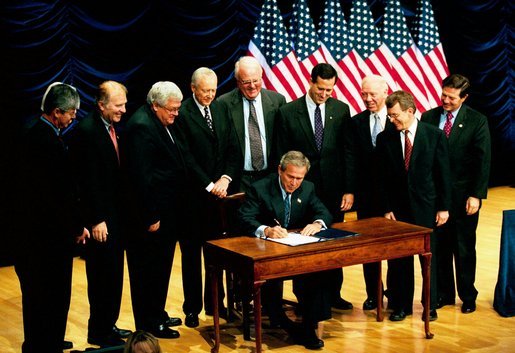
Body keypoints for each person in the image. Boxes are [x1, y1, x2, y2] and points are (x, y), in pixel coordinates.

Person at [14, 83, 90, 353]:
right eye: (71, 113)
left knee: (42, 297)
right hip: (45, 240)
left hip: (35, 238)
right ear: (57, 112)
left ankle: (48, 340)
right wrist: (77, 226)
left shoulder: (32, 130)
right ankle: (44, 344)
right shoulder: (46, 143)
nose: (74, 118)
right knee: (48, 295)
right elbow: (58, 196)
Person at [274, 63, 356, 310]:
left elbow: (347, 151)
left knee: (334, 242)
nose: (324, 94)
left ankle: (334, 294)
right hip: (300, 190)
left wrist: (349, 189)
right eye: (321, 88)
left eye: (329, 90)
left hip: (333, 190)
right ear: (310, 82)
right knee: (303, 243)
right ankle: (307, 298)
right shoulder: (288, 112)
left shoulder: (341, 110)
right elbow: (282, 154)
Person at [238, 151, 332, 350]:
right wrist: (267, 230)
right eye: (291, 177)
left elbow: (323, 211)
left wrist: (317, 223)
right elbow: (245, 218)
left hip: (295, 248)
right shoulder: (260, 188)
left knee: (320, 272)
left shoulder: (307, 188)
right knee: (270, 283)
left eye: (299, 178)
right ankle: (281, 320)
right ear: (279, 171)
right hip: (265, 250)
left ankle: (308, 326)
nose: (295, 183)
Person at [376, 90, 451, 321]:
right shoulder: (385, 138)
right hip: (398, 211)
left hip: (426, 208)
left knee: (429, 259)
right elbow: (382, 178)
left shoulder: (434, 135)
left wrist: (443, 207)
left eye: (395, 115)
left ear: (410, 111)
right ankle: (401, 305)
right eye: (389, 116)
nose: (392, 120)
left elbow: (443, 174)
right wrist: (387, 208)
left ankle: (429, 305)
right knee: (400, 261)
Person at [174, 67, 241, 326]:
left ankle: (217, 304)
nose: (210, 95)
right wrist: (209, 184)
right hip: (193, 200)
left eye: (213, 90)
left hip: (220, 200)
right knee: (191, 257)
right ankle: (192, 308)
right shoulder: (183, 113)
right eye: (205, 91)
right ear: (193, 88)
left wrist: (226, 178)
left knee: (217, 256)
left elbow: (234, 147)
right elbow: (186, 157)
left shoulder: (221, 108)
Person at [124, 81, 191, 339]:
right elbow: (141, 178)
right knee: (149, 271)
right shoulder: (141, 127)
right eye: (172, 109)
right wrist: (151, 215)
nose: (176, 113)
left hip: (168, 211)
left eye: (177, 109)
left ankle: (157, 312)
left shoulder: (160, 122)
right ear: (155, 105)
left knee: (162, 267)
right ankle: (150, 322)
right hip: (152, 216)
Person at [68, 81, 132, 346]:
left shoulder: (111, 127)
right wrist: (95, 219)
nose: (124, 110)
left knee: (114, 274)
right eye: (118, 105)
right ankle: (99, 331)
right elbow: (86, 181)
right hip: (100, 221)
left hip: (115, 217)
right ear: (101, 104)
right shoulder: (87, 131)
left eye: (125, 104)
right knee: (102, 277)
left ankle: (109, 324)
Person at [421, 74, 491, 314]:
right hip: (436, 198)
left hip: (463, 198)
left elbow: (483, 160)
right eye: (443, 94)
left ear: (464, 97)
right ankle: (444, 294)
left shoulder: (477, 120)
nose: (445, 100)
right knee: (439, 248)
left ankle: (468, 296)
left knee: (463, 248)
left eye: (451, 97)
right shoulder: (428, 117)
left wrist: (476, 194)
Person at [352, 75, 393, 310]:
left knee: (394, 249)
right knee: (368, 248)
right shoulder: (356, 122)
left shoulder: (398, 119)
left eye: (372, 94)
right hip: (367, 198)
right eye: (363, 94)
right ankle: (373, 294)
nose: (367, 99)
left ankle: (395, 293)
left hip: (394, 198)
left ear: (385, 92)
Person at [217, 56, 286, 191]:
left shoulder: (278, 101)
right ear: (238, 82)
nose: (252, 86)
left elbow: (283, 141)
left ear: (261, 78)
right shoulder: (223, 104)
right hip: (239, 179)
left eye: (256, 80)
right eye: (246, 82)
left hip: (270, 177)